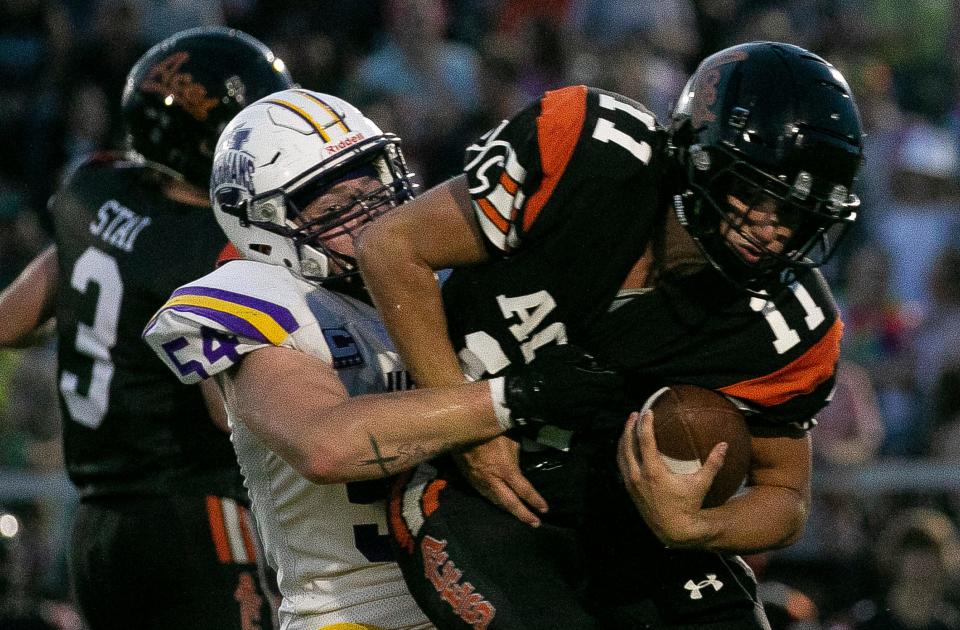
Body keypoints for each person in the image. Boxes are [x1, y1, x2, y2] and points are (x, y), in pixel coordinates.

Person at [354, 41, 864, 628]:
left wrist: (695, 526)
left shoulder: (787, 319)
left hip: (631, 516)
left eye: (799, 213)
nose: (774, 230)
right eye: (756, 193)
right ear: (700, 155)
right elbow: (394, 247)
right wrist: (466, 428)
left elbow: (786, 494)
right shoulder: (587, 152)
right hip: (474, 491)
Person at [142, 88, 624, 630]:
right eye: (331, 202)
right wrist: (518, 396)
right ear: (262, 226)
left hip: (503, 585)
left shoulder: (435, 277)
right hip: (359, 611)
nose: (369, 209)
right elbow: (323, 446)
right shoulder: (270, 299)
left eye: (372, 180)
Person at [0, 27, 295, 630]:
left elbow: (12, 319)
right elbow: (232, 412)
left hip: (97, 527)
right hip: (194, 512)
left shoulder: (94, 187)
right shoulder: (212, 251)